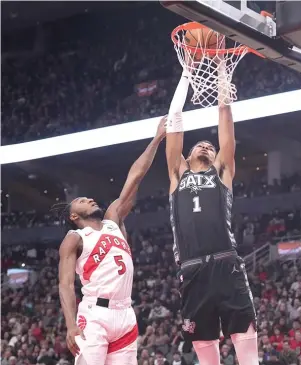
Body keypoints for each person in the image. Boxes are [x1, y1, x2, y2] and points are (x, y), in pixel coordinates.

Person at [165, 60, 257, 365]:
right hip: (192, 270)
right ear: (187, 156)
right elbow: (174, 118)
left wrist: (220, 70)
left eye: (210, 146)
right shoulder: (177, 173)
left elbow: (224, 118)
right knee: (206, 353)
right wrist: (187, 73)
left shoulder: (222, 172)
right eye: (199, 145)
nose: (205, 146)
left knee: (244, 341)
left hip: (225, 262)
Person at [55, 118, 166, 365]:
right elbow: (65, 285)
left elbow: (135, 177)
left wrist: (157, 139)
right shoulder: (74, 238)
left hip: (125, 313)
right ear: (74, 216)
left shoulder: (113, 220)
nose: (89, 199)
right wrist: (71, 325)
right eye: (82, 200)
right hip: (95, 314)